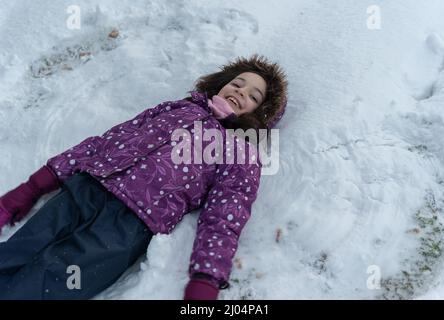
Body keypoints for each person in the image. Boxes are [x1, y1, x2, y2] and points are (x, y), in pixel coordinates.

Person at [0, 54, 288, 300]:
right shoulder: (177, 108)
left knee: (46, 284)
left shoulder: (240, 152)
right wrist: (33, 187)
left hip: (128, 226)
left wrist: (207, 277)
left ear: (261, 113)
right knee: (15, 251)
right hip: (86, 189)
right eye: (237, 82)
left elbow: (225, 216)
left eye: (253, 95)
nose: (240, 91)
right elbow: (105, 142)